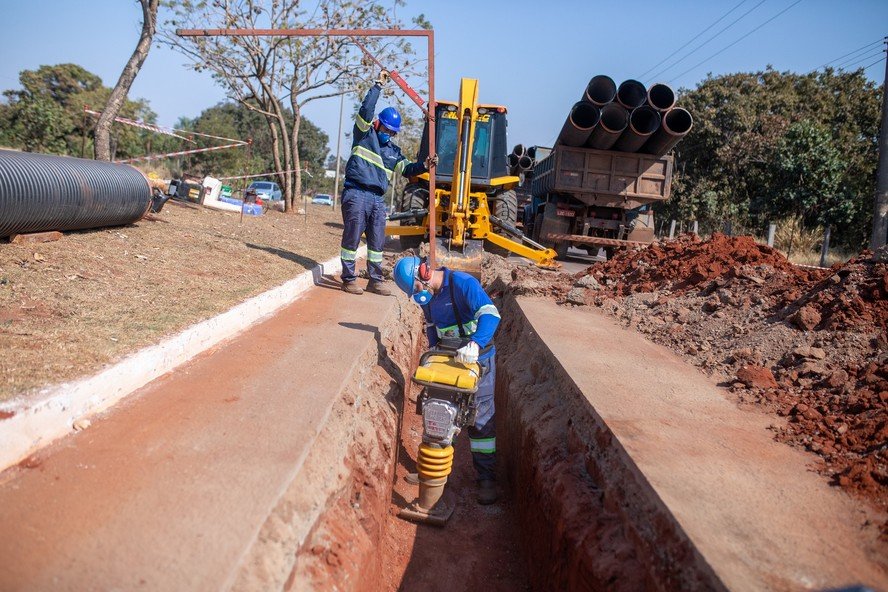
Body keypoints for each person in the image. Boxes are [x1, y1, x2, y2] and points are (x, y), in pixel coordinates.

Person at [392, 255, 501, 505]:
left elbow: (491, 315)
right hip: (447, 358)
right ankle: (434, 472)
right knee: (441, 414)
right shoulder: (428, 299)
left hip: (479, 358)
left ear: (425, 273)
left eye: (417, 288)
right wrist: (431, 353)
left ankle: (486, 478)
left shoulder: (463, 284)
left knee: (480, 419)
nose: (418, 296)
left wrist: (476, 343)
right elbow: (432, 326)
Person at [339, 70, 437, 296]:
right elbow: (365, 110)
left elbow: (408, 170)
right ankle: (349, 279)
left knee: (377, 242)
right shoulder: (363, 135)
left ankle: (374, 280)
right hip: (356, 193)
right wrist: (377, 86)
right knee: (351, 238)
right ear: (378, 125)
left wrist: (425, 164)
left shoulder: (393, 152)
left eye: (393, 133)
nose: (389, 135)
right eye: (387, 130)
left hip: (377, 199)